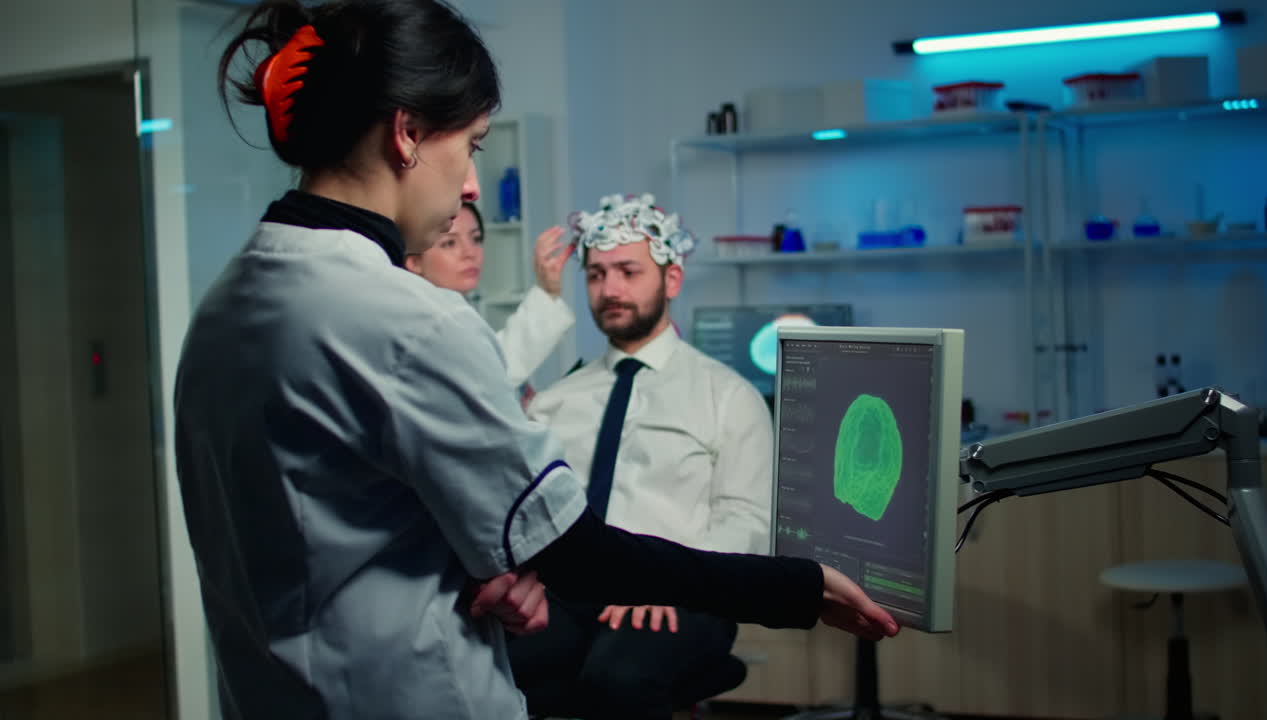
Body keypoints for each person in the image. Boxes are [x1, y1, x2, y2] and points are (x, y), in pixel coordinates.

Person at [175, 2, 898, 719]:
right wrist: (800, 588)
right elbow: (576, 553)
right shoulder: (412, 320)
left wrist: (506, 565)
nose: (471, 186)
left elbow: (340, 517)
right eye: (473, 145)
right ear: (407, 133)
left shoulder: (223, 306)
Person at [510, 193, 773, 718]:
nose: (610, 289)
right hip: (570, 592)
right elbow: (531, 506)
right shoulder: (557, 401)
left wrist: (672, 580)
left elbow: (746, 519)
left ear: (671, 280)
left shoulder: (727, 395)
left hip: (684, 588)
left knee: (617, 680)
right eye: (596, 274)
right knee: (491, 664)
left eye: (628, 272)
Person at [403, 201, 576, 386]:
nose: (470, 252)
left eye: (476, 239)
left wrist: (548, 289)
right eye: (450, 243)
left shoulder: (457, 318)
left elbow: (493, 362)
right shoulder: (419, 330)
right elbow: (491, 373)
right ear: (414, 262)